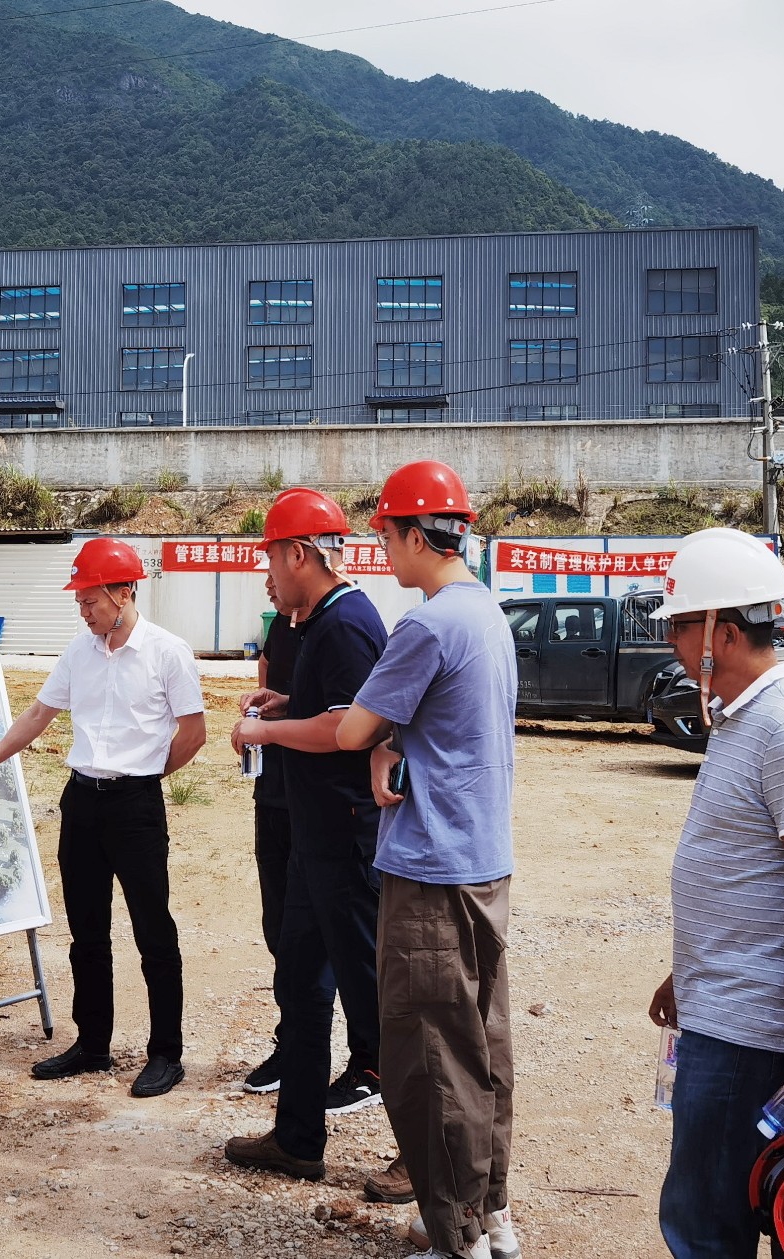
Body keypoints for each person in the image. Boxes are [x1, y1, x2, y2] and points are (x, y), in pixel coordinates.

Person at [643, 528, 784, 1259]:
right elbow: (745, 871)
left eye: (678, 625)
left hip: (749, 1034)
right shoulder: (742, 719)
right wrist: (688, 971)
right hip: (720, 1008)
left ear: (722, 633)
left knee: (706, 1226)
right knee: (710, 1207)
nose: (671, 641)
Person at [0, 537, 205, 1098]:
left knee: (153, 931)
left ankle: (166, 1053)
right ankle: (92, 1044)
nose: (83, 610)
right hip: (81, 802)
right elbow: (39, 713)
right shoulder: (78, 652)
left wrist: (145, 778)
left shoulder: (167, 652)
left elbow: (194, 732)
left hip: (135, 807)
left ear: (122, 593)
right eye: (79, 601)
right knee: (87, 931)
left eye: (90, 600)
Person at [336, 460, 520, 1259]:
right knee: (481, 1047)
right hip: (482, 859)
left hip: (430, 869)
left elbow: (351, 729)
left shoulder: (427, 624)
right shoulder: (486, 613)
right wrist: (397, 740)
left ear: (416, 535)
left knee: (430, 1059)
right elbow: (437, 725)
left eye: (384, 535)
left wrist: (376, 735)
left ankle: (455, 1238)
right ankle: (489, 1215)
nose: (382, 550)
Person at [224, 488, 389, 1182]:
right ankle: (296, 1136)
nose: (268, 572)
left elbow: (349, 727)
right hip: (313, 838)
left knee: (371, 994)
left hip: (344, 839)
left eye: (271, 557)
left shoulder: (345, 622)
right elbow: (336, 705)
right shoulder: (321, 621)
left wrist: (266, 730)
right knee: (300, 982)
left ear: (298, 554)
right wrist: (289, 702)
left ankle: (423, 1151)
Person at [239, 566, 305, 1095]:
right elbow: (271, 678)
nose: (267, 583)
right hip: (274, 794)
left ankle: (368, 1058)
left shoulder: (340, 625)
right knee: (280, 927)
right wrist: (258, 714)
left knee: (327, 938)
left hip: (317, 804)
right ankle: (293, 1043)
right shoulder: (282, 625)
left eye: (275, 569)